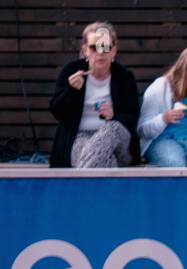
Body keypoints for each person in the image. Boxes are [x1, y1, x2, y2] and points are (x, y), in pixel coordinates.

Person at [49, 22, 140, 169]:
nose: (101, 52)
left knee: (112, 129)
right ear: (85, 50)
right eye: (94, 47)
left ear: (114, 51)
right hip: (80, 136)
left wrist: (114, 115)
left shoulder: (124, 77)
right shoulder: (71, 71)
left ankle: (82, 188)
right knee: (102, 159)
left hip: (119, 141)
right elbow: (57, 112)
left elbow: (133, 117)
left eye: (106, 47)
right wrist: (71, 90)